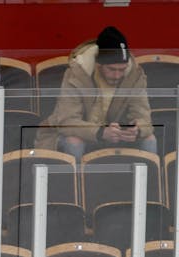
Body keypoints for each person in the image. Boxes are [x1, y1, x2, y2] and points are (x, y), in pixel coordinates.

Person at [35, 26, 156, 159]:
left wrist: (137, 130)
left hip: (114, 137)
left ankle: (149, 180)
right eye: (112, 69)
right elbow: (67, 121)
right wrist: (100, 132)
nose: (117, 75)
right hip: (71, 135)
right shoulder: (76, 74)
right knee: (74, 142)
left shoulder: (134, 76)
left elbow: (145, 118)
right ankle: (73, 180)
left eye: (122, 70)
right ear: (99, 65)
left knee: (149, 139)